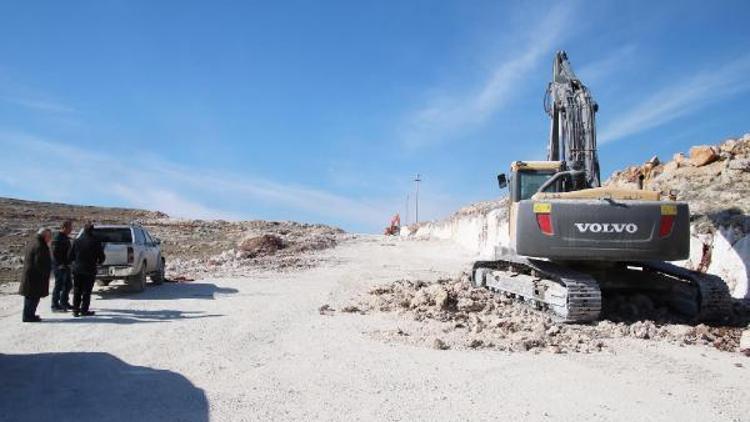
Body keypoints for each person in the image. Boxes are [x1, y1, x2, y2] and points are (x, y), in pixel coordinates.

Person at [71, 222, 105, 317]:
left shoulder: (77, 241)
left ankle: (75, 310)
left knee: (77, 290)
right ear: (92, 231)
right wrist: (99, 262)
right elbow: (101, 257)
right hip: (90, 269)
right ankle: (84, 310)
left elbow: (71, 256)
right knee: (87, 291)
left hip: (77, 269)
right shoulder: (95, 241)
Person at [18, 228, 53, 322]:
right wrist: (45, 272)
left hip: (31, 275)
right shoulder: (40, 246)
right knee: (33, 297)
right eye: (49, 236)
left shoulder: (34, 242)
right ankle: (28, 316)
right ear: (45, 236)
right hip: (35, 277)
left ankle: (29, 315)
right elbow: (40, 262)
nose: (50, 239)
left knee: (30, 296)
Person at [51, 220, 74, 312]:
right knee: (59, 285)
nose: (71, 230)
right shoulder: (58, 238)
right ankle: (55, 305)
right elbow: (55, 253)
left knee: (68, 285)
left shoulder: (64, 237)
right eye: (70, 228)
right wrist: (60, 264)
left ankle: (64, 302)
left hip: (66, 265)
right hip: (60, 266)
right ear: (64, 227)